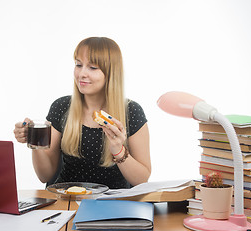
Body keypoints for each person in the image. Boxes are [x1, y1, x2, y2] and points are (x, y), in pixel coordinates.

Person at [14, 37, 151, 189]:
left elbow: (142, 180)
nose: (81, 74)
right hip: (67, 201)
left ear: (111, 73)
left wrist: (119, 151)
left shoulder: (131, 112)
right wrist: (34, 141)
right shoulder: (61, 107)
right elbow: (45, 175)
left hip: (113, 204)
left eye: (92, 68)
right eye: (78, 65)